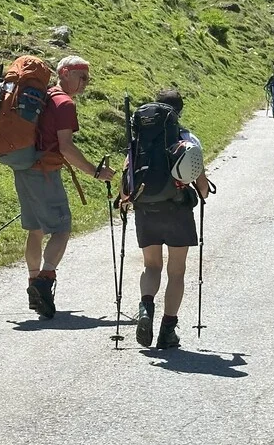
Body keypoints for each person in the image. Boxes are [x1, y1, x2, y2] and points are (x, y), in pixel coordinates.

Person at [17, 55, 114, 319]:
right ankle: (44, 282)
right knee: (61, 229)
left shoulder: (45, 95)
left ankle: (33, 283)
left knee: (35, 229)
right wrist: (96, 172)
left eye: (88, 78)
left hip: (24, 167)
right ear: (66, 73)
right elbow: (66, 148)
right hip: (45, 172)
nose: (85, 83)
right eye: (82, 77)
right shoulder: (64, 104)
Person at [132, 90, 211, 349]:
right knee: (176, 272)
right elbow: (202, 188)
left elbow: (126, 186)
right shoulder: (187, 139)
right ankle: (167, 330)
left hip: (145, 210)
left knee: (151, 266)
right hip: (177, 212)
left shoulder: (139, 140)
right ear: (179, 111)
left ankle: (145, 308)